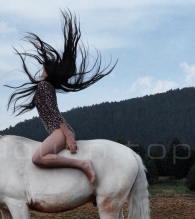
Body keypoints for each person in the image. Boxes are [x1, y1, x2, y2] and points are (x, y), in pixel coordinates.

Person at [6, 10, 115, 185]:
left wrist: (69, 137)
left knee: (38, 158)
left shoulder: (44, 86)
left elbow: (55, 113)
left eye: (44, 67)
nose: (41, 69)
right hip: (60, 131)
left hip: (60, 131)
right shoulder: (46, 87)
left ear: (48, 72)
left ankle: (83, 165)